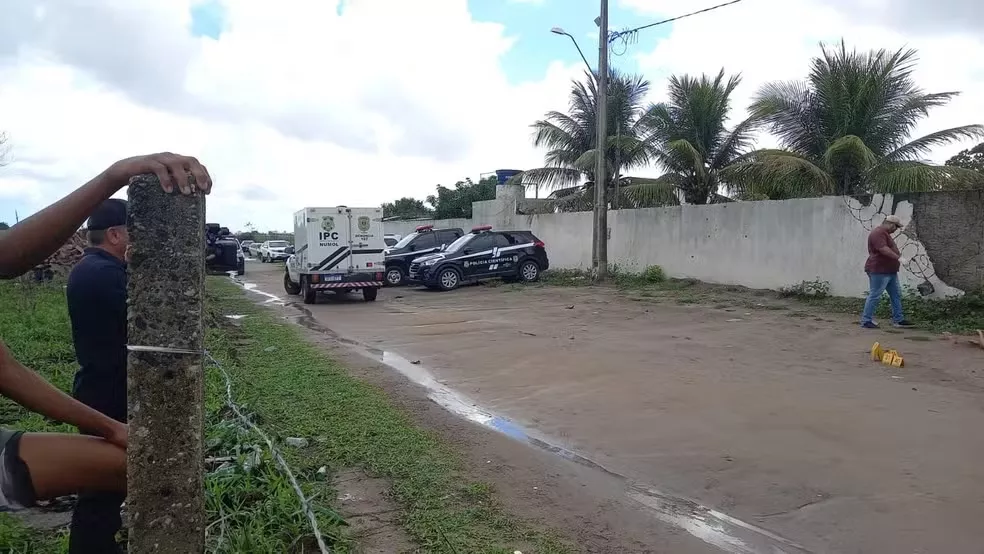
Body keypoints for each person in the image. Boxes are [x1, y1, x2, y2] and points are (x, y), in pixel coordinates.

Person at [0, 153, 211, 520]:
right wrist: (112, 427)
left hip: (96, 389)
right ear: (115, 235)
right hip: (111, 393)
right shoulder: (105, 275)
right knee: (116, 492)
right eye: (136, 232)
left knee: (107, 491)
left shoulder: (89, 268)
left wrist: (114, 175)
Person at [860, 214, 915, 329]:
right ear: (890, 224)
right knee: (875, 295)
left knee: (896, 295)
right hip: (879, 270)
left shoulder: (885, 234)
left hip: (890, 271)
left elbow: (888, 248)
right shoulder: (878, 233)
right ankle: (866, 321)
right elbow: (883, 249)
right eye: (896, 226)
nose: (896, 229)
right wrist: (898, 258)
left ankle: (898, 320)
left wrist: (899, 258)